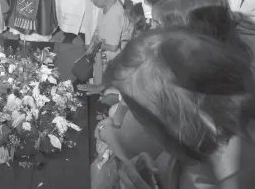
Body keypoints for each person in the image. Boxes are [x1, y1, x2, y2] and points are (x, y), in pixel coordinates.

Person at [102, 29, 255, 189]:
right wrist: (160, 172)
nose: (147, 132)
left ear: (173, 120)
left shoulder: (237, 177)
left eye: (148, 124)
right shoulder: (207, 136)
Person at [85, 0, 133, 82]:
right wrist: (87, 54)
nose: (91, 0)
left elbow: (113, 47)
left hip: (113, 62)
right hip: (103, 56)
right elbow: (97, 31)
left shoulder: (114, 15)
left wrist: (97, 45)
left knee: (104, 85)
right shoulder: (107, 6)